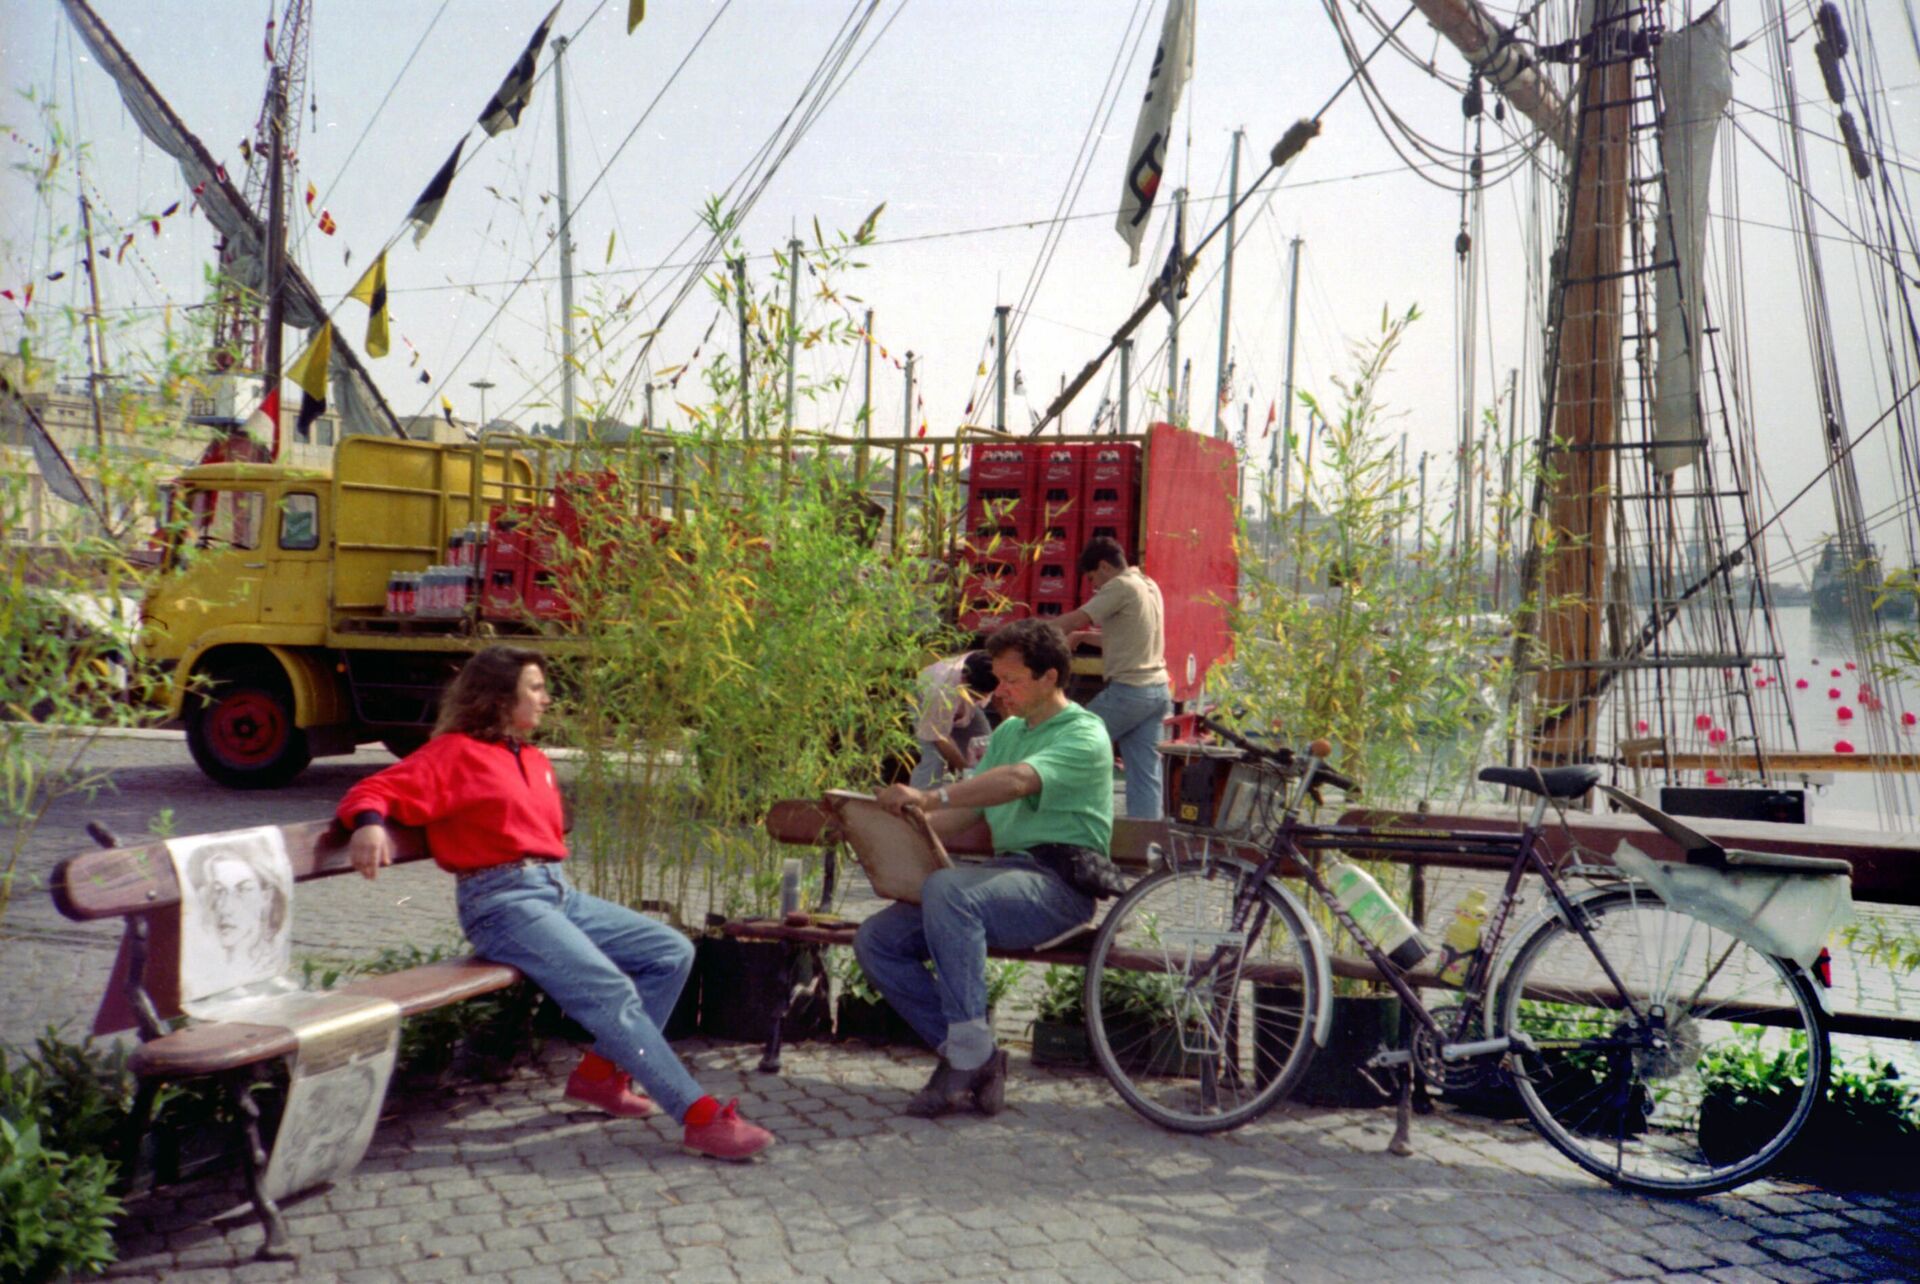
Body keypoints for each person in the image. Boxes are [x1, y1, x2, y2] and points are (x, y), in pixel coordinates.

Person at [336, 645, 772, 1161]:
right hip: (500, 903)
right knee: (609, 992)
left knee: (670, 951)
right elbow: (372, 790)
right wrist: (368, 827)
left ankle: (599, 1077)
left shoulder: (534, 758)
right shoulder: (452, 753)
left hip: (555, 893)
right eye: (535, 689)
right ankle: (699, 1117)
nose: (546, 699)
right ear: (499, 698)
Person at [855, 619, 1119, 1117]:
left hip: (1058, 888)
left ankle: (966, 1058)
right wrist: (887, 831)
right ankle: (974, 1054)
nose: (999, 692)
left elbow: (1018, 781)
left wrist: (931, 794)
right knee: (877, 940)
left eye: (1011, 680)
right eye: (997, 679)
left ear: (1050, 677)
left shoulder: (1086, 733)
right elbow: (965, 816)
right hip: (1003, 879)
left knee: (950, 890)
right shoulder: (1011, 731)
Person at [1051, 536, 1173, 820]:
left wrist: (1027, 634)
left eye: (1094, 578)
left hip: (1129, 692)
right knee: (1145, 778)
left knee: (1067, 744)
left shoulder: (1119, 586)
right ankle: (1144, 850)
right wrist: (1082, 638)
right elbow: (1127, 639)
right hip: (1156, 691)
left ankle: (1062, 825)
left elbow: (1075, 618)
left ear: (1105, 566)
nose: (1094, 587)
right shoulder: (1148, 585)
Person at [185, 841, 292, 975]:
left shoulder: (270, 962)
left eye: (243, 890)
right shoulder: (207, 965)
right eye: (218, 890)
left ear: (266, 896)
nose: (225, 907)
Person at [908, 650, 998, 789]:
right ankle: (919, 802)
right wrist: (966, 770)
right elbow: (939, 737)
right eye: (976, 695)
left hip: (966, 705)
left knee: (984, 745)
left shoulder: (992, 665)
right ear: (964, 679)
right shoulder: (939, 689)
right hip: (925, 701)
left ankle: (983, 798)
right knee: (935, 760)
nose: (982, 698)